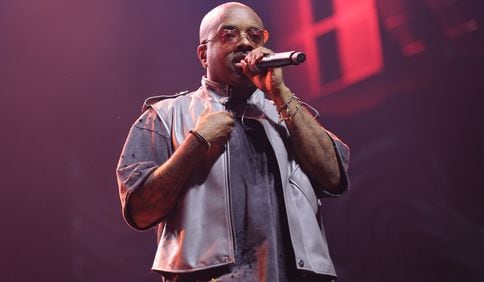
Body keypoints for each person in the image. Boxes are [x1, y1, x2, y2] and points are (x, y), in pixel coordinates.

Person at [116, 2, 350, 281]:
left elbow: (334, 178)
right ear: (203, 54)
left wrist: (281, 94)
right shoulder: (164, 117)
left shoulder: (289, 113)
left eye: (254, 37)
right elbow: (140, 212)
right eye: (229, 35)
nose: (245, 44)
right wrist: (197, 142)